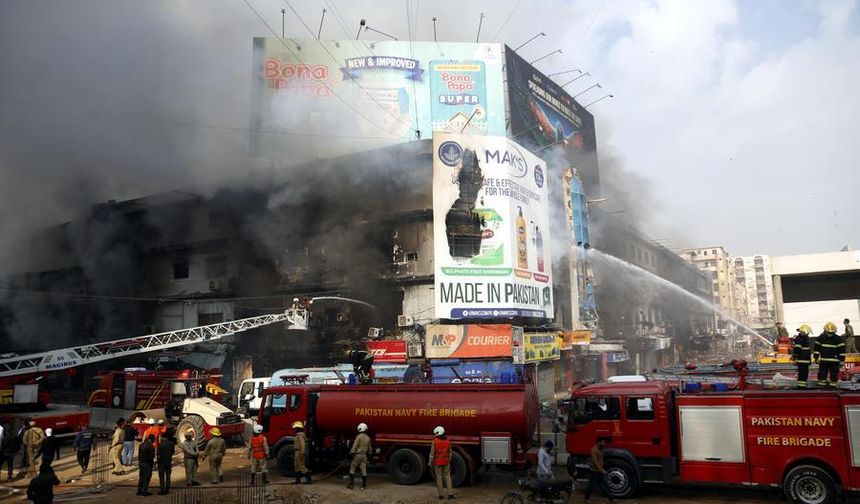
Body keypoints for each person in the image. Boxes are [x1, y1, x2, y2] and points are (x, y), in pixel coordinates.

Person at [814, 322, 845, 388]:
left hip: (824, 360)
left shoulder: (820, 338)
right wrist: (842, 360)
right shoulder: (838, 338)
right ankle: (832, 385)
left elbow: (816, 349)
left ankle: (822, 384)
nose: (830, 334)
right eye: (829, 332)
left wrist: (816, 358)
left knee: (823, 372)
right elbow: (841, 351)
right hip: (834, 360)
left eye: (831, 333)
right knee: (833, 373)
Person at [584, 438, 615, 504]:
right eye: (603, 443)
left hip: (599, 471)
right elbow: (595, 462)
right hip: (594, 471)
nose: (604, 444)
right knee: (592, 486)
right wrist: (602, 470)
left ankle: (611, 500)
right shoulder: (594, 450)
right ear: (598, 443)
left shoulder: (600, 449)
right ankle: (587, 498)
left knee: (606, 485)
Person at [429, 426, 453, 500]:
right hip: (446, 462)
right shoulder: (448, 441)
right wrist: (449, 460)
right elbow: (450, 452)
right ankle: (450, 494)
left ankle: (441, 495)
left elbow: (432, 454)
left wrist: (430, 462)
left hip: (438, 462)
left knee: (439, 478)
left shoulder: (434, 441)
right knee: (448, 477)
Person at [347, 422, 371, 490]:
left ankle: (351, 485)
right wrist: (369, 455)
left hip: (357, 455)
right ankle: (363, 486)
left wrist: (350, 453)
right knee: (363, 470)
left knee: (352, 467)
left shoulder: (358, 437)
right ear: (365, 429)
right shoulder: (368, 438)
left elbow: (354, 446)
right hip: (364, 456)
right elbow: (370, 449)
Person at [156, 430, 176, 495]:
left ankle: (162, 489)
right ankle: (167, 489)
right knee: (168, 476)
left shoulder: (160, 445)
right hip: (168, 462)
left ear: (164, 437)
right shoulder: (171, 444)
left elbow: (158, 454)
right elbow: (173, 452)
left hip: (161, 463)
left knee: (161, 477)